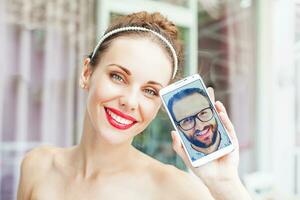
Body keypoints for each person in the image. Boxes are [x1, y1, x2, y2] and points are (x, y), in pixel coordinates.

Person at [17, 11, 251, 200]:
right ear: (87, 73)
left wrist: (226, 185)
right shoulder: (37, 166)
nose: (129, 102)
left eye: (150, 91)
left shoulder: (175, 190)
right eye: (118, 77)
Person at [167, 87, 231, 157]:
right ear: (179, 128)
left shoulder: (231, 144)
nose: (200, 127)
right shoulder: (184, 161)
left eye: (203, 113)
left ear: (213, 110)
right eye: (187, 120)